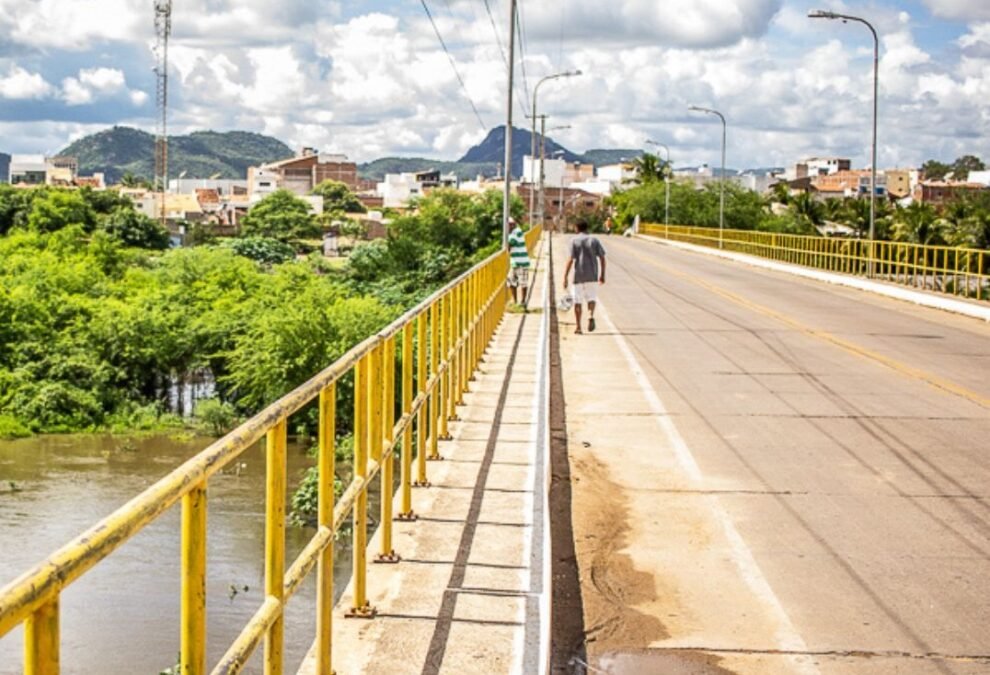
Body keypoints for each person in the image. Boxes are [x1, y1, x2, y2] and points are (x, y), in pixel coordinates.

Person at [562, 221, 606, 334]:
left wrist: (565, 276)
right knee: (591, 298)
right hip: (592, 275)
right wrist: (602, 274)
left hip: (579, 275)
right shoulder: (594, 240)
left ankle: (578, 327)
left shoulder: (574, 241)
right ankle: (590, 315)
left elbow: (571, 259)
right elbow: (602, 258)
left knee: (578, 301)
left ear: (577, 228)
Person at [506, 218, 530, 307]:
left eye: (510, 225)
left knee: (523, 282)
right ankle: (515, 301)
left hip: (521, 262)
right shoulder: (513, 232)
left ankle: (523, 302)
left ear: (513, 224)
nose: (509, 227)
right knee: (511, 281)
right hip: (515, 262)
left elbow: (509, 245)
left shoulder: (516, 232)